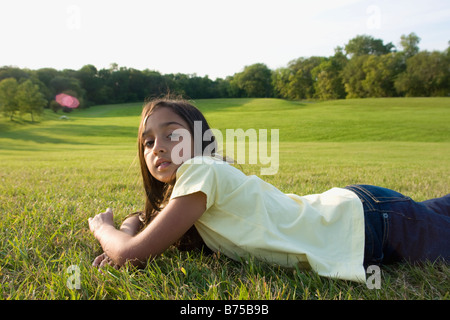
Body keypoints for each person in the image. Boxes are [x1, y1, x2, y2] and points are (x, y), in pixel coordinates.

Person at [88, 97, 450, 283]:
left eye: (172, 134)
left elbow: (131, 256)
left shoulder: (202, 171)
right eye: (148, 142)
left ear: (201, 141)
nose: (158, 147)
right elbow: (143, 220)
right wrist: (127, 227)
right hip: (363, 212)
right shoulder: (194, 183)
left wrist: (104, 229)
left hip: (367, 224)